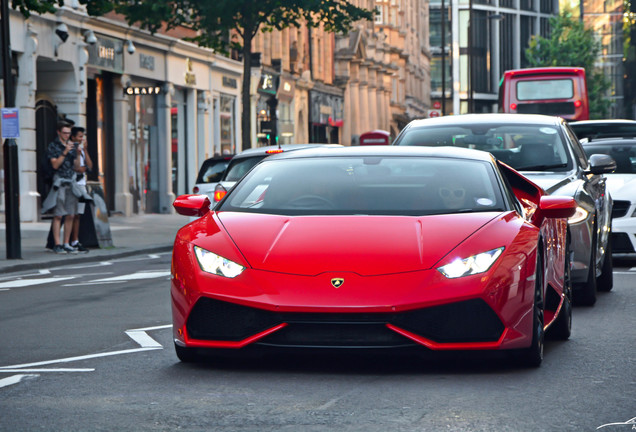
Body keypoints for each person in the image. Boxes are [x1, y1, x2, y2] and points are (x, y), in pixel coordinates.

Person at [41, 122, 81, 254]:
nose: (67, 136)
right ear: (59, 132)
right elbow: (55, 165)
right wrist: (64, 152)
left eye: (69, 133)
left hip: (71, 182)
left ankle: (66, 243)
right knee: (58, 215)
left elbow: (76, 167)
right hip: (59, 182)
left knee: (70, 214)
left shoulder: (73, 147)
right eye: (65, 133)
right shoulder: (54, 146)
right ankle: (57, 244)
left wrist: (79, 154)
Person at [69, 126, 93, 253]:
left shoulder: (82, 149)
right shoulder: (71, 149)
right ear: (73, 137)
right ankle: (66, 242)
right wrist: (78, 154)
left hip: (82, 185)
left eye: (82, 136)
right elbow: (77, 167)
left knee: (78, 215)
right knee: (70, 215)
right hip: (74, 185)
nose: (82, 138)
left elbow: (89, 166)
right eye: (79, 136)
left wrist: (85, 150)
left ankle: (75, 240)